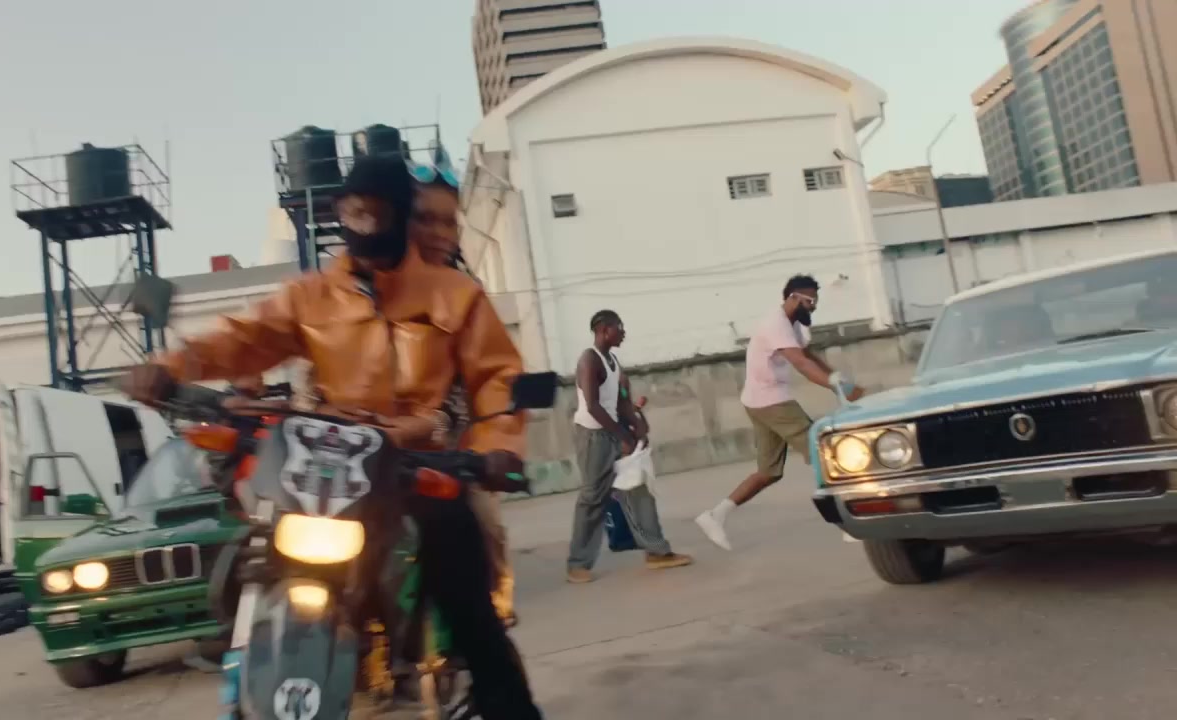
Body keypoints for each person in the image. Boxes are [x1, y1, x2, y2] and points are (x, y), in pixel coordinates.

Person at [122, 155, 542, 720]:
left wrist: (498, 450)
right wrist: (169, 367)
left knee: (467, 595)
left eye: (374, 213)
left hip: (418, 464)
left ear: (399, 215)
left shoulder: (455, 294)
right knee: (263, 550)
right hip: (330, 463)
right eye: (352, 213)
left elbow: (497, 378)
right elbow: (244, 338)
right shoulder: (310, 296)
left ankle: (509, 706)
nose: (362, 225)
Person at [409, 164, 517, 628]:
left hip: (452, 444)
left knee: (485, 524)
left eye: (448, 222)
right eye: (423, 219)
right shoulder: (357, 289)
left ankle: (497, 603)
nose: (438, 232)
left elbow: (487, 379)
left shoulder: (465, 298)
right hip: (373, 450)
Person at [696, 274, 865, 551]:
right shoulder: (776, 324)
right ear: (793, 298)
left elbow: (808, 355)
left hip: (758, 401)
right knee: (825, 457)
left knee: (769, 472)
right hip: (772, 402)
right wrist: (835, 385)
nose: (814, 306)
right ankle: (848, 524)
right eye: (810, 301)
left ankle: (716, 515)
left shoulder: (792, 324)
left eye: (816, 301)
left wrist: (839, 382)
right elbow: (800, 363)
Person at [566, 310, 692, 583]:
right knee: (593, 498)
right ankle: (577, 565)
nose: (624, 332)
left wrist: (637, 426)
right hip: (593, 436)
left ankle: (656, 552)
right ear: (604, 329)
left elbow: (622, 400)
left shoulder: (613, 361)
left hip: (613, 431)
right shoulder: (589, 359)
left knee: (638, 490)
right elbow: (593, 406)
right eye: (619, 327)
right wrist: (623, 435)